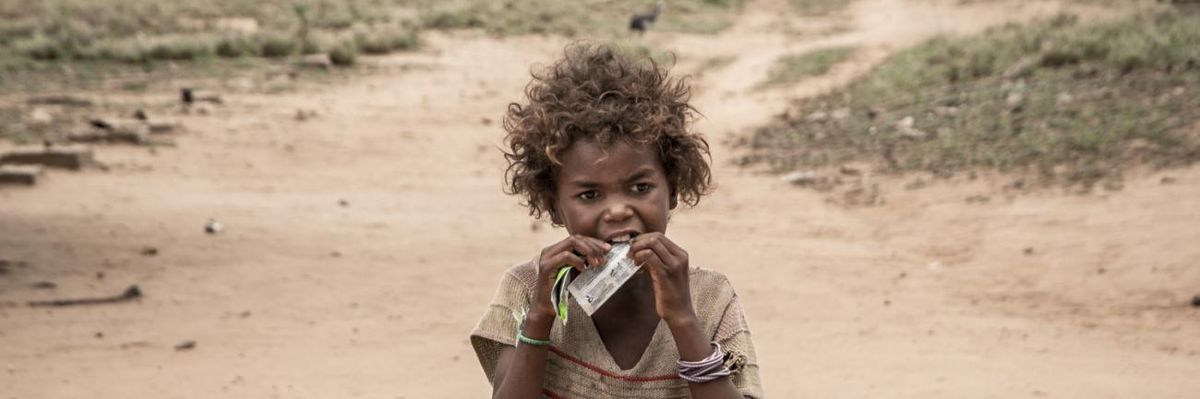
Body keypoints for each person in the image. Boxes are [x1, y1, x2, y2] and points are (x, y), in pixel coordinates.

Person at [470, 42, 764, 398]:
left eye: (640, 187)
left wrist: (683, 319)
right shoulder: (528, 288)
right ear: (553, 205)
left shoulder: (710, 300)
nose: (618, 211)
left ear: (672, 189)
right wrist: (539, 316)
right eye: (589, 195)